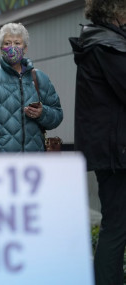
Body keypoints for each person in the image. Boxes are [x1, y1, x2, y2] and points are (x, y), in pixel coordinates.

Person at [69, 0, 126, 283]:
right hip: (118, 154)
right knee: (116, 227)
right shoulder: (107, 45)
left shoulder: (102, 41)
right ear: (116, 10)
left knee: (116, 225)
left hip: (112, 151)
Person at [0, 23, 63, 152]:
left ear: (25, 48)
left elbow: (57, 114)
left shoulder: (39, 78)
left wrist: (43, 113)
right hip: (1, 157)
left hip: (34, 158)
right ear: (1, 48)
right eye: (7, 43)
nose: (12, 47)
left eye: (17, 43)